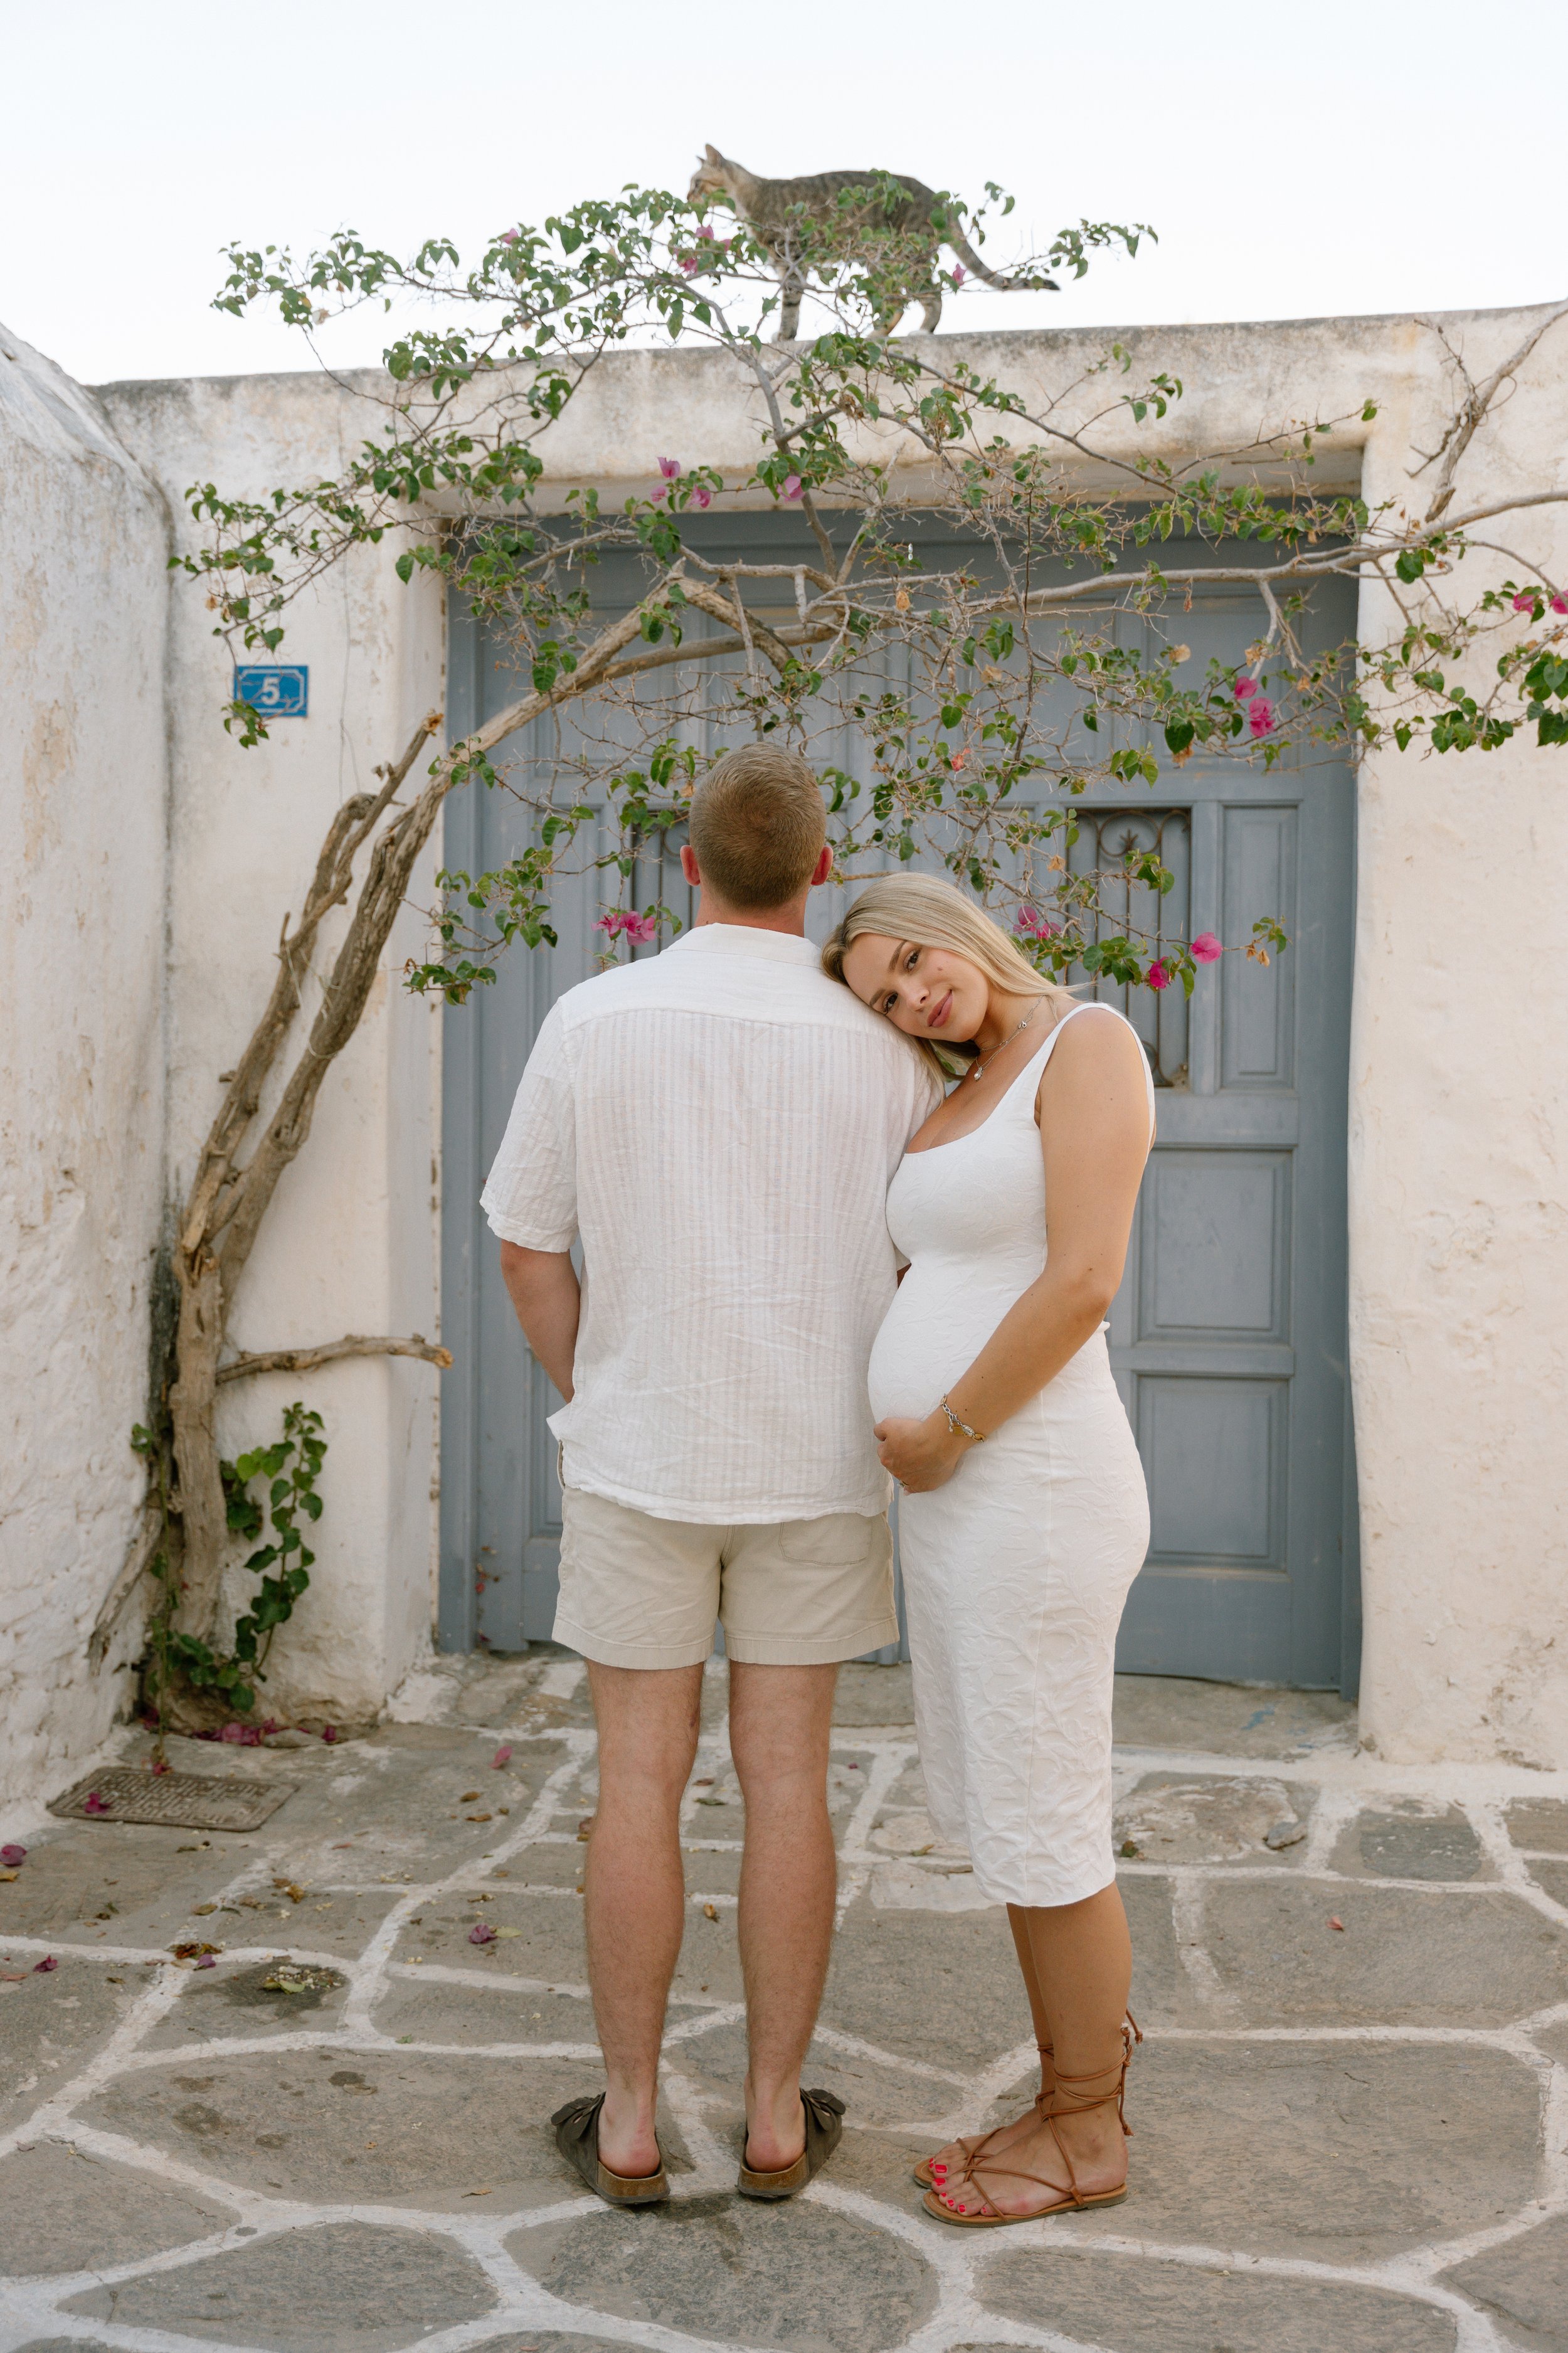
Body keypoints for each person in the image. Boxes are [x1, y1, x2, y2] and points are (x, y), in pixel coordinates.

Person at [481, 747, 935, 2209]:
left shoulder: (592, 1016)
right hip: (814, 1458)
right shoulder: (881, 1046)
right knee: (788, 1781)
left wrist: (589, 1383)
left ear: (683, 867)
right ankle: (770, 2124)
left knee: (635, 1781)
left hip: (641, 1451)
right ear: (818, 870)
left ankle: (624, 2121)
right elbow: (927, 1256)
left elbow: (523, 1243)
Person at [824, 873, 1154, 2227]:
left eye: (907, 961)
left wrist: (949, 1424)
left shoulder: (1084, 1044)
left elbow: (1082, 1278)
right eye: (885, 996)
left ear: (950, 920)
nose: (910, 995)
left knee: (1048, 1808)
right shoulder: (958, 1085)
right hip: (961, 1497)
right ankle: (1072, 2081)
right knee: (1014, 1807)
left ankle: (1086, 2128)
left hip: (1029, 1476)